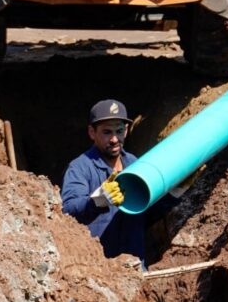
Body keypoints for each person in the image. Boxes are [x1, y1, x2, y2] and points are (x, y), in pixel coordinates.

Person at [60, 99, 180, 262]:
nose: (115, 139)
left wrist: (173, 194)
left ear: (127, 130)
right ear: (91, 132)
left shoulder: (134, 163)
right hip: (100, 270)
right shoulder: (80, 167)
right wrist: (98, 200)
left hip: (135, 268)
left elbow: (147, 214)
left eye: (119, 130)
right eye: (107, 132)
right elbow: (68, 211)